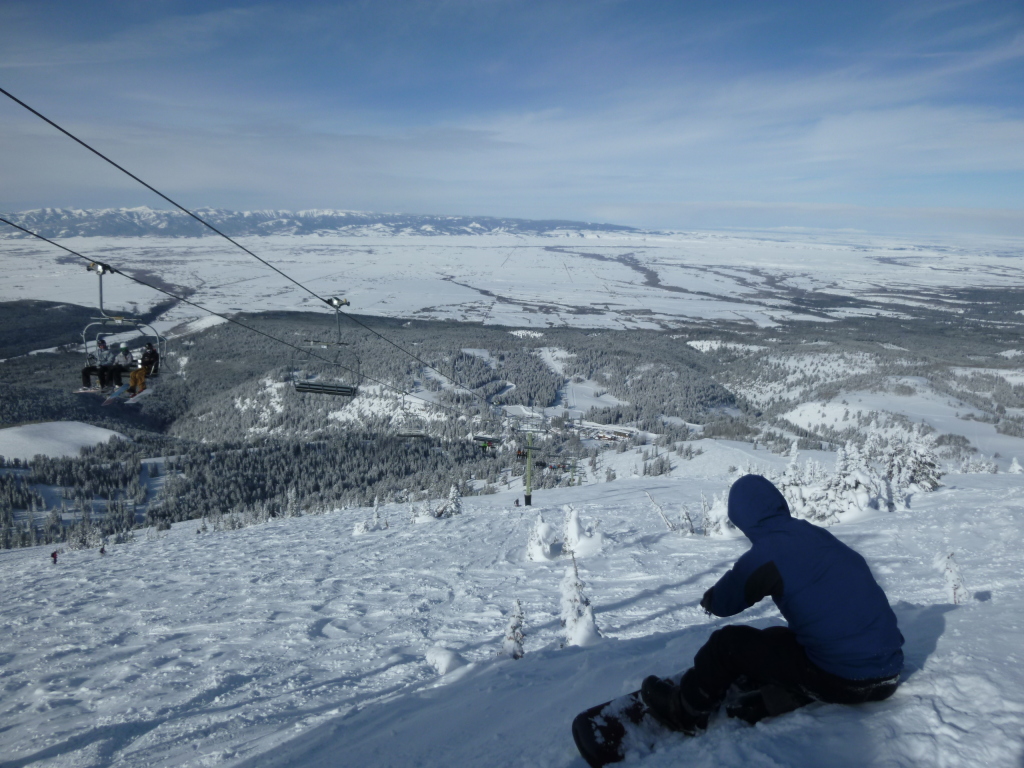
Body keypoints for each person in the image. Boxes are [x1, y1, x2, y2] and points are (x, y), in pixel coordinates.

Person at [641, 474, 904, 733]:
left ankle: (684, 710)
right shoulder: (816, 536)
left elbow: (725, 602)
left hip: (842, 679)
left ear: (743, 518)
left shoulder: (769, 552)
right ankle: (783, 696)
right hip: (888, 672)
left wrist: (711, 599)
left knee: (726, 645)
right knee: (779, 637)